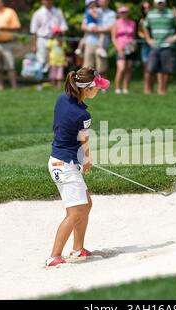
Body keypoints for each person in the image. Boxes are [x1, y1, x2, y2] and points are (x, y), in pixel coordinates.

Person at [46, 67, 110, 268]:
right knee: (75, 212)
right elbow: (84, 140)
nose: (99, 90)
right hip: (65, 165)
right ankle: (54, 256)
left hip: (60, 160)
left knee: (86, 204)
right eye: (97, 87)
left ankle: (78, 249)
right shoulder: (82, 114)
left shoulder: (63, 99)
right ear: (88, 89)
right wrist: (88, 160)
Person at [143, 0, 176, 95]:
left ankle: (162, 91)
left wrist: (175, 37)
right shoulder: (151, 14)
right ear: (155, 4)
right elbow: (144, 26)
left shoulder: (171, 13)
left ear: (165, 3)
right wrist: (148, 39)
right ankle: (148, 90)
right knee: (150, 69)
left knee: (166, 70)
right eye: (158, 3)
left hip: (168, 46)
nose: (160, 4)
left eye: (162, 2)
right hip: (155, 45)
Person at [0, 0, 21, 90]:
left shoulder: (10, 12)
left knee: (10, 65)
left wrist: (4, 28)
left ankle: (14, 87)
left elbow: (17, 26)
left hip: (7, 43)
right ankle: (0, 87)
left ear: (3, 3)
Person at [30, 0, 68, 71]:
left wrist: (62, 41)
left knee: (55, 60)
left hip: (56, 40)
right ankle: (42, 79)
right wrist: (34, 45)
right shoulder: (37, 13)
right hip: (42, 39)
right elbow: (34, 31)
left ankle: (53, 79)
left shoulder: (58, 12)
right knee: (42, 60)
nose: (48, 1)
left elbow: (63, 28)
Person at [81, 0, 116, 76]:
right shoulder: (92, 9)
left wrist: (97, 30)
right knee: (87, 67)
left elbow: (111, 28)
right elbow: (83, 26)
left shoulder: (111, 13)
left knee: (102, 68)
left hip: (103, 43)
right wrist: (89, 28)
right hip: (90, 41)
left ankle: (103, 87)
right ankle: (87, 86)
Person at [112, 6, 136, 94]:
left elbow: (133, 36)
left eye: (125, 12)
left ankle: (126, 88)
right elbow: (113, 37)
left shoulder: (132, 23)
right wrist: (118, 49)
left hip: (130, 47)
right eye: (122, 12)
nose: (124, 14)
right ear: (119, 13)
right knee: (121, 68)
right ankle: (117, 88)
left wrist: (134, 43)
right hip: (120, 47)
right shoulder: (116, 23)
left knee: (129, 68)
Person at [137, 1, 153, 94]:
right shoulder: (142, 20)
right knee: (147, 68)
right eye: (144, 8)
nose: (147, 10)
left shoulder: (155, 19)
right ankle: (146, 89)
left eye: (148, 7)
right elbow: (139, 32)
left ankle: (152, 88)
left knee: (154, 68)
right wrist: (144, 36)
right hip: (146, 46)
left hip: (155, 45)